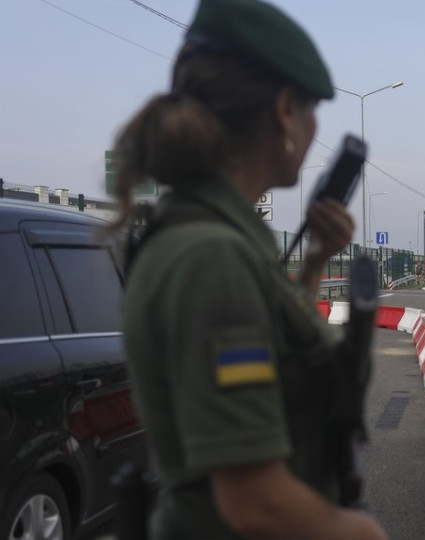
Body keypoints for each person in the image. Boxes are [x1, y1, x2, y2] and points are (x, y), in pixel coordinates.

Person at [112, 0, 386, 538]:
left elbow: (281, 360)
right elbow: (256, 504)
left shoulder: (212, 238)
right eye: (312, 112)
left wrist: (312, 265)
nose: (312, 133)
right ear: (286, 110)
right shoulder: (211, 258)